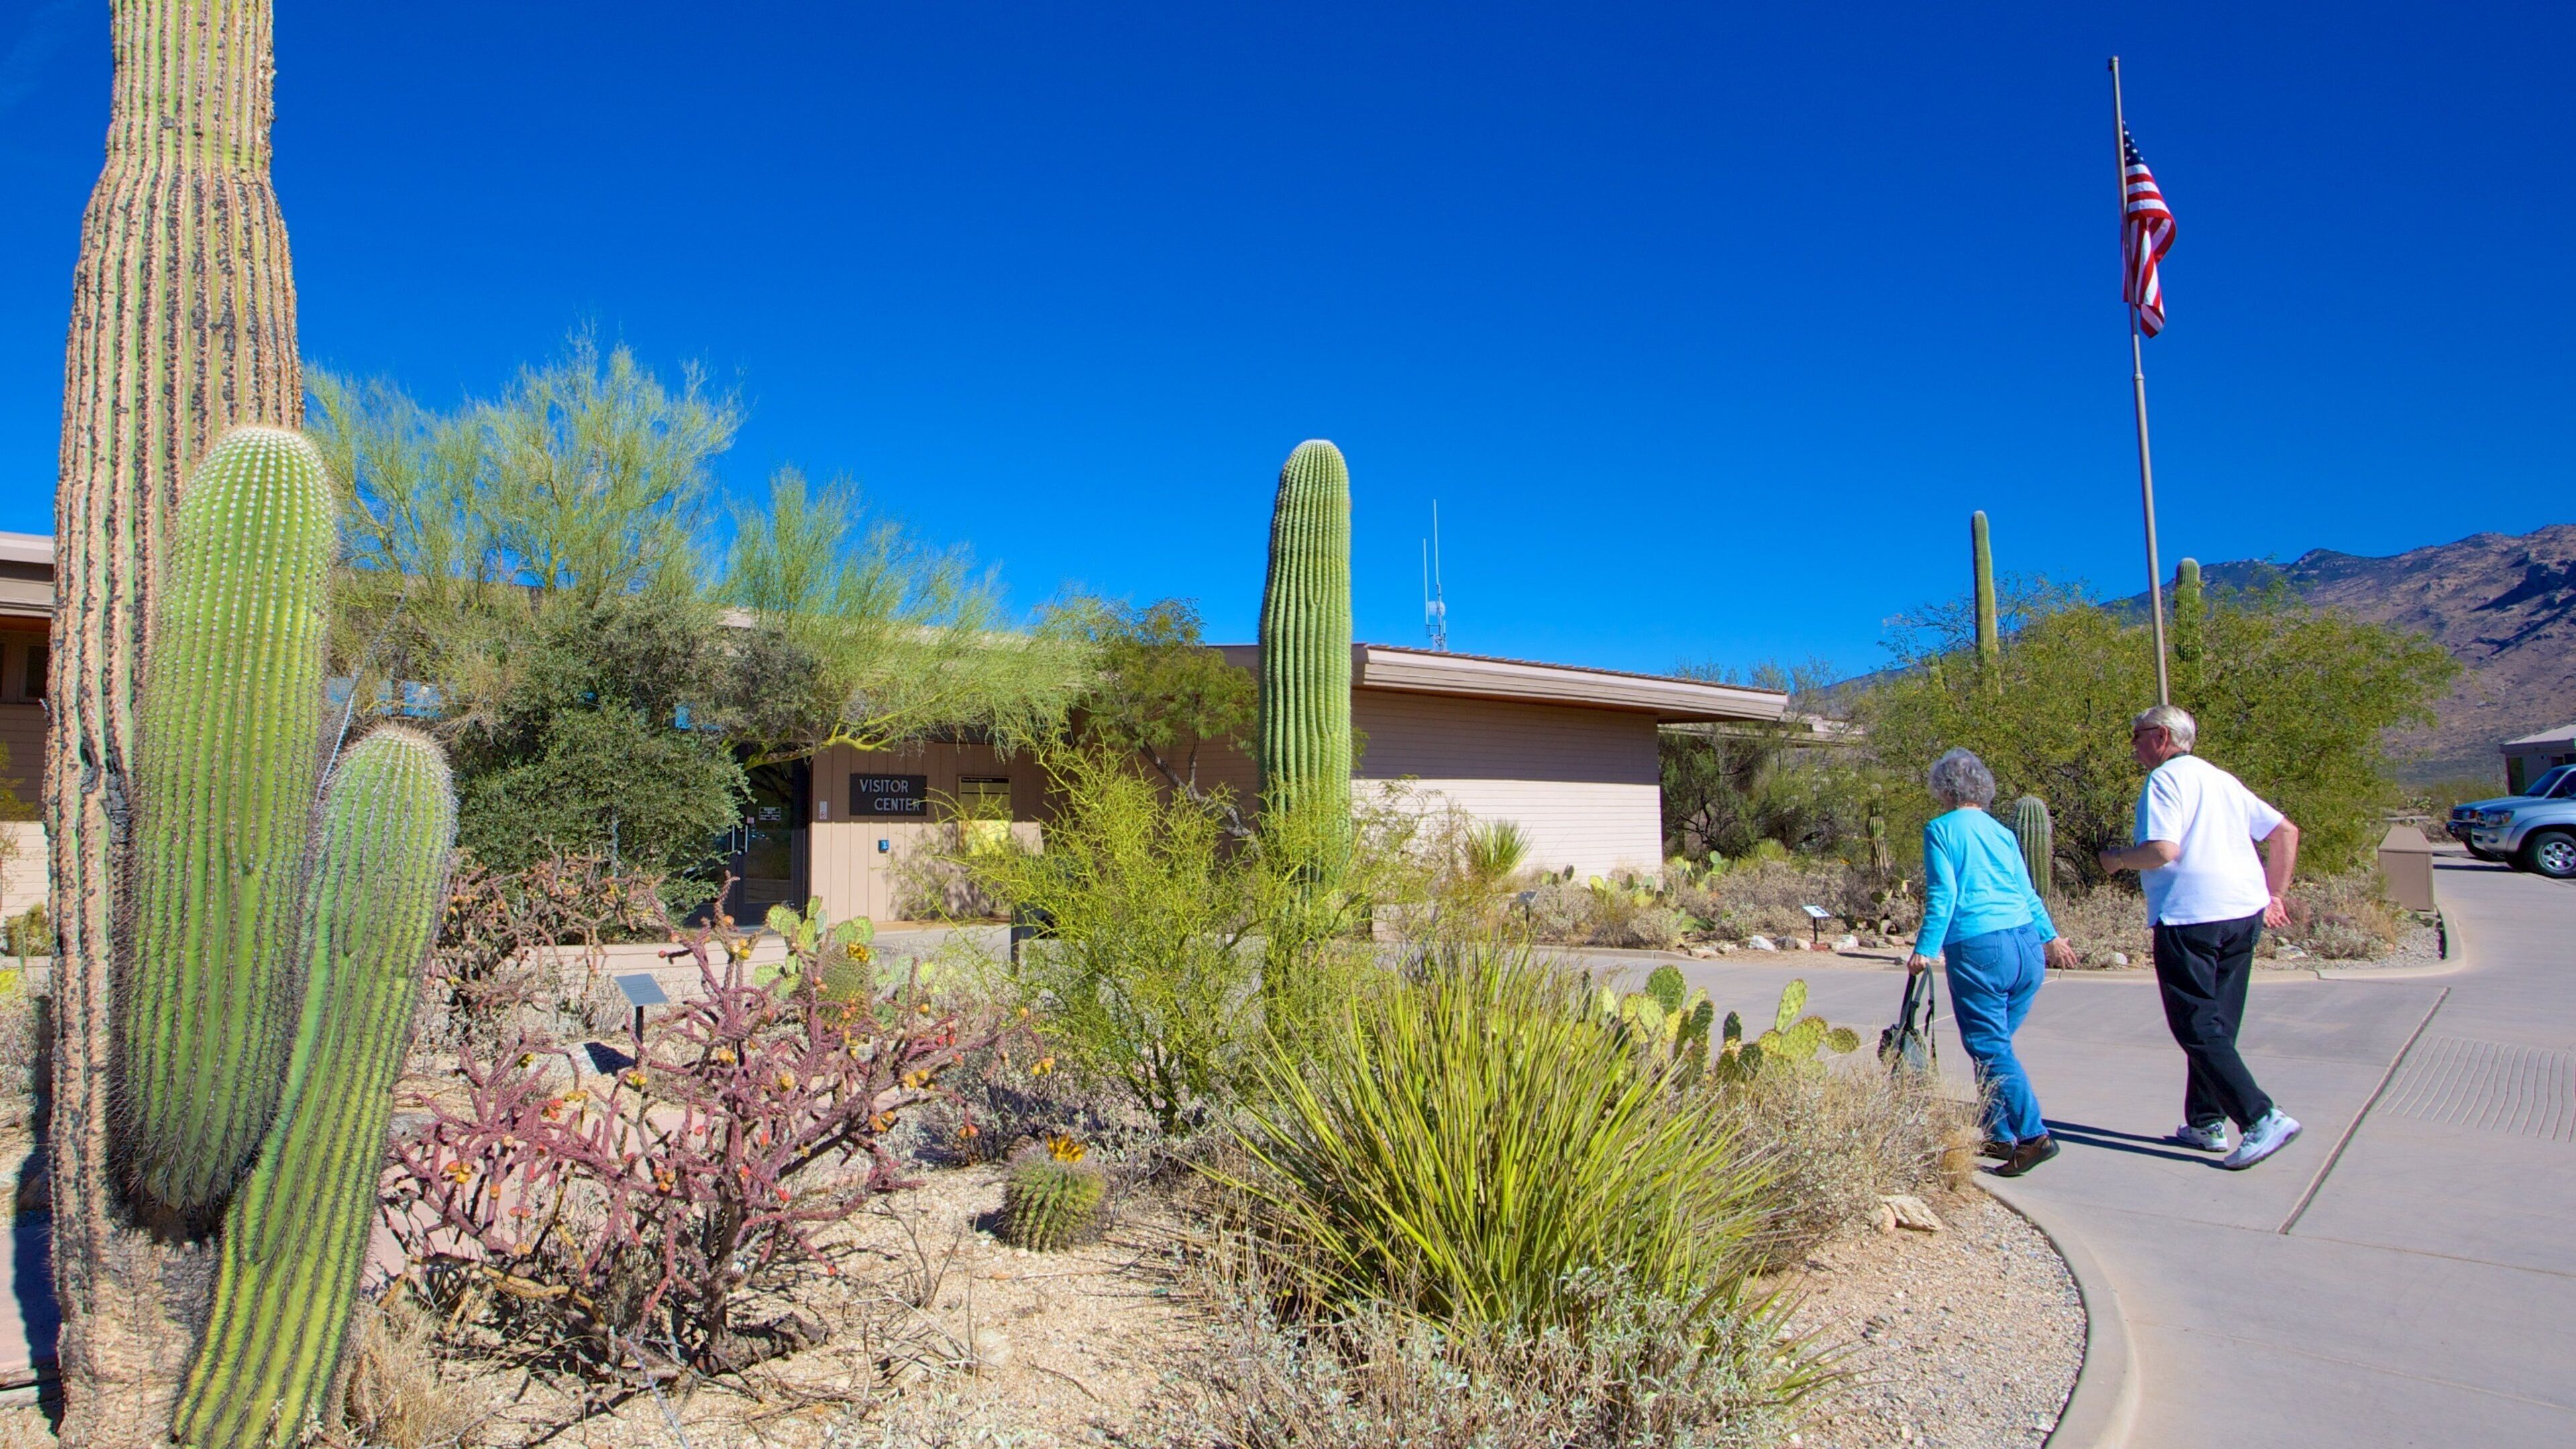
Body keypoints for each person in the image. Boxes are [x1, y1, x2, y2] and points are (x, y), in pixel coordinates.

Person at [2096, 704, 2304, 1171]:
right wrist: (2274, 895)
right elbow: (2284, 831)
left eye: (2138, 734)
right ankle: (2206, 1120)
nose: (2133, 743)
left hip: (2191, 916)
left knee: (2193, 1022)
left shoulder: (2166, 781)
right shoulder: (2221, 780)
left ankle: (2260, 1117)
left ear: (2163, 737)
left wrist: (2118, 859)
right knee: (2218, 1022)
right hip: (2241, 912)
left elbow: (2163, 851)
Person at [1905, 748, 2080, 1178]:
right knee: (1996, 1045)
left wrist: (1926, 948)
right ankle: (1997, 1130)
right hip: (2026, 945)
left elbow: (1943, 895)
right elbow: (2029, 892)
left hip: (1981, 948)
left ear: (1943, 789)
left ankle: (2033, 1136)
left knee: (1989, 1046)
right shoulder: (2003, 833)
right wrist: (2051, 937)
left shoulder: (1940, 830)